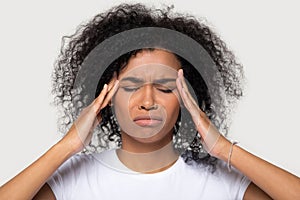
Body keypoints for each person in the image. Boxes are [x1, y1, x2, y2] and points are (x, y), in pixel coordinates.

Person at [0, 3, 299, 200]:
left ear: (186, 98)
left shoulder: (222, 181)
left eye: (165, 88)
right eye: (130, 86)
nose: (147, 101)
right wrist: (66, 147)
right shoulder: (73, 180)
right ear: (107, 95)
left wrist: (223, 149)